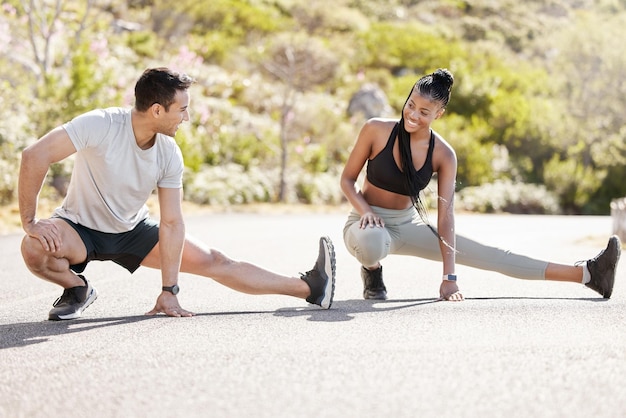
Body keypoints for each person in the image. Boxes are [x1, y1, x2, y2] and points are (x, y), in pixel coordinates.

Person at [19, 67, 335, 321]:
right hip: (80, 229)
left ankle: (309, 288)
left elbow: (172, 222)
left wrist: (169, 289)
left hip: (133, 231)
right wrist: (30, 221)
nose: (186, 117)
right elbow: (34, 155)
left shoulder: (169, 152)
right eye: (182, 110)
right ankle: (76, 289)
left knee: (216, 261)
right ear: (157, 110)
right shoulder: (100, 124)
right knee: (33, 247)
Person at [340, 68, 621, 302]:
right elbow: (347, 180)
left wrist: (449, 277)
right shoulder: (376, 130)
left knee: (493, 256)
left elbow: (445, 214)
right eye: (410, 105)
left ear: (439, 114)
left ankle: (587, 274)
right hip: (366, 223)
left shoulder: (443, 154)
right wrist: (365, 210)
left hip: (407, 224)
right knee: (372, 242)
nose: (413, 115)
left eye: (424, 111)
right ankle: (372, 270)